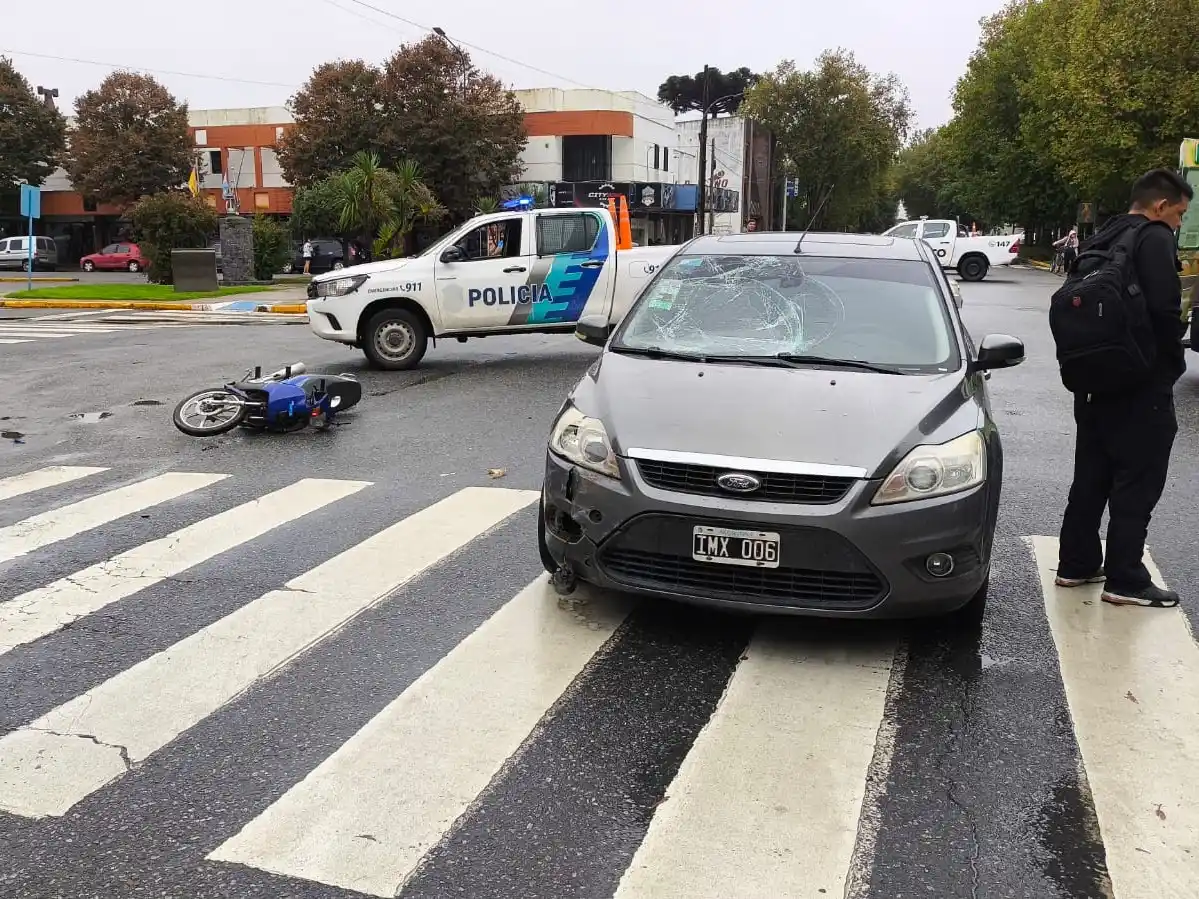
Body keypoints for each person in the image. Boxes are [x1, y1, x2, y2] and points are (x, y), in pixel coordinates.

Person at [1056, 168, 1192, 607]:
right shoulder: (1154, 237)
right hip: (1139, 384)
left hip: (1092, 380)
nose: (1178, 223)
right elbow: (1166, 311)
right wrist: (1168, 365)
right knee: (1137, 481)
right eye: (1179, 214)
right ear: (1161, 206)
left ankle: (1076, 564)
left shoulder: (1104, 235)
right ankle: (1126, 579)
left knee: (1090, 476)